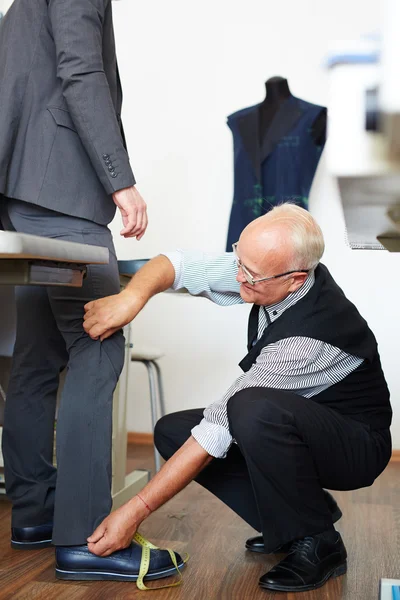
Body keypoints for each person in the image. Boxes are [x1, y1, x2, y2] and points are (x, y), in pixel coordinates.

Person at [83, 203, 392, 593]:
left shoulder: (307, 338)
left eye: (251, 274)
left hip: (356, 446)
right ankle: (301, 516)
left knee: (248, 409)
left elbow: (220, 424)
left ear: (296, 279)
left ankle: (320, 543)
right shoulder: (261, 271)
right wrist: (131, 299)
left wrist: (134, 512)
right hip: (301, 423)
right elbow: (176, 264)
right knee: (174, 431)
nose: (238, 276)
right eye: (239, 260)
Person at [0, 0, 180, 584]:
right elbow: (81, 71)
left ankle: (36, 516)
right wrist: (119, 180)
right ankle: (84, 539)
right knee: (97, 344)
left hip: (22, 193)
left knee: (35, 357)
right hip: (61, 189)